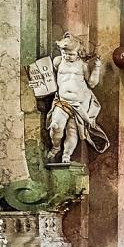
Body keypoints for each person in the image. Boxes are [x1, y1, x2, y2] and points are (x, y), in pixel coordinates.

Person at [45, 33, 111, 164]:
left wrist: (97, 67)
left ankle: (67, 154)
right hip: (62, 101)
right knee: (56, 125)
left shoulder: (82, 65)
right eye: (64, 53)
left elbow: (92, 83)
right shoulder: (58, 61)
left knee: (72, 131)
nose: (67, 56)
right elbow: (48, 77)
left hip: (79, 104)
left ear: (78, 53)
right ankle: (56, 147)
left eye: (71, 54)